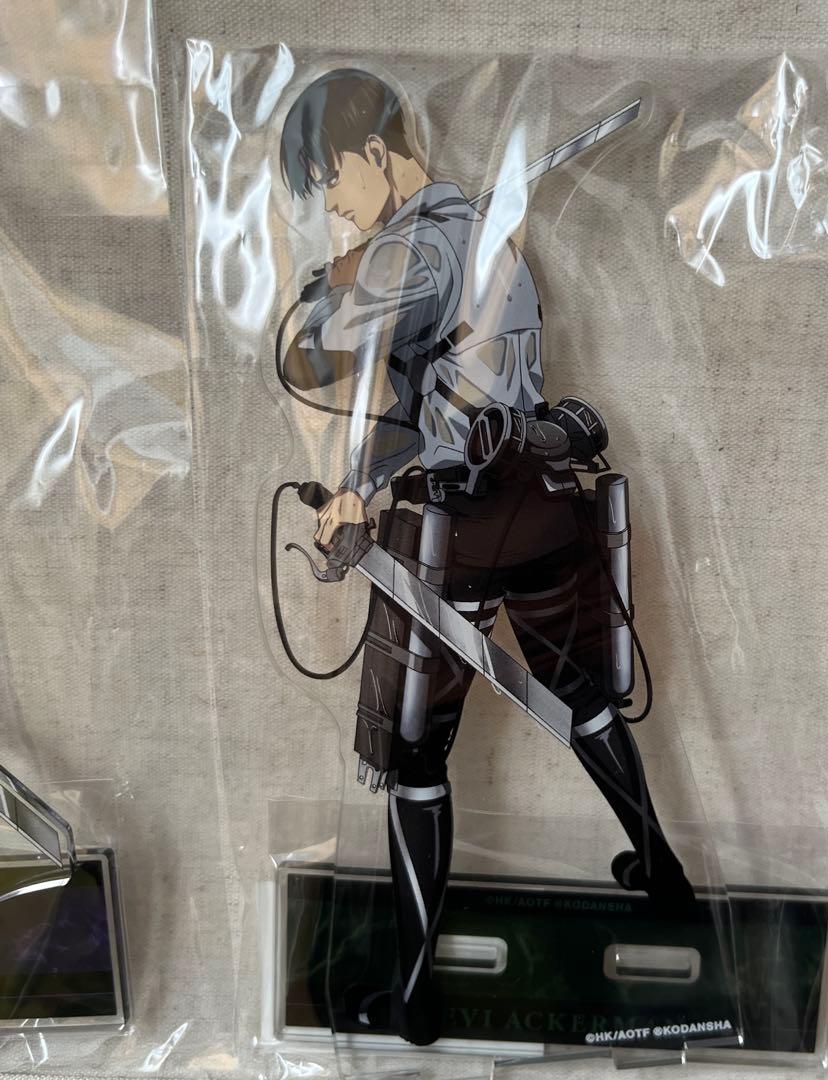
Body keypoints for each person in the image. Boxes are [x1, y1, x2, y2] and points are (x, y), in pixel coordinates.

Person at [279, 68, 694, 1046]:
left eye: (332, 184)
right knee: (581, 698)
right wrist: (362, 478)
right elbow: (439, 399)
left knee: (414, 756)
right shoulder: (478, 237)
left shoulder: (416, 251)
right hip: (544, 507)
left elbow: (305, 355)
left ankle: (416, 997)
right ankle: (664, 876)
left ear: (374, 154)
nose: (331, 209)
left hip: (460, 527)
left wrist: (334, 278)